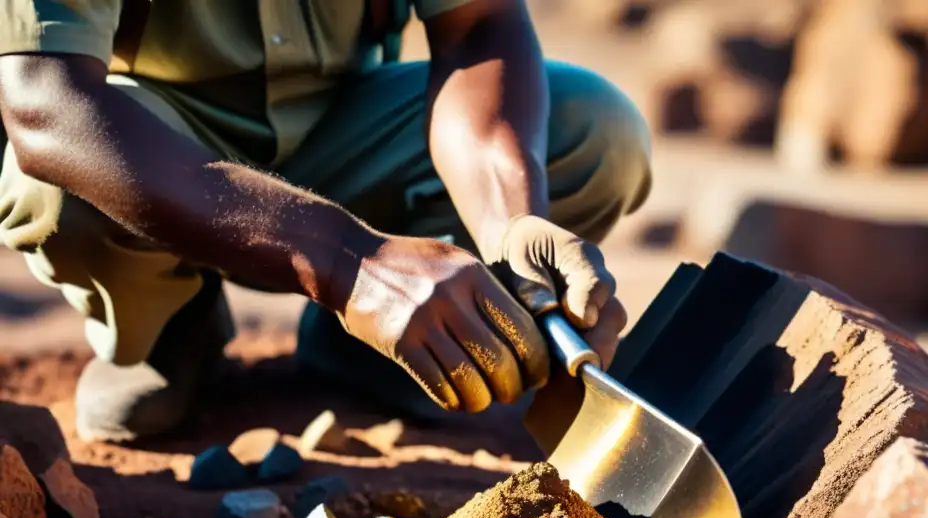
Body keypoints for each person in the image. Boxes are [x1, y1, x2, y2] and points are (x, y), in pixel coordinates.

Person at [0, 0, 652, 443]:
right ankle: (164, 328)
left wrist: (511, 225)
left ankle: (375, 354)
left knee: (595, 132)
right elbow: (49, 103)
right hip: (160, 159)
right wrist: (352, 264)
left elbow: (479, 25)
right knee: (52, 189)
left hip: (346, 136)